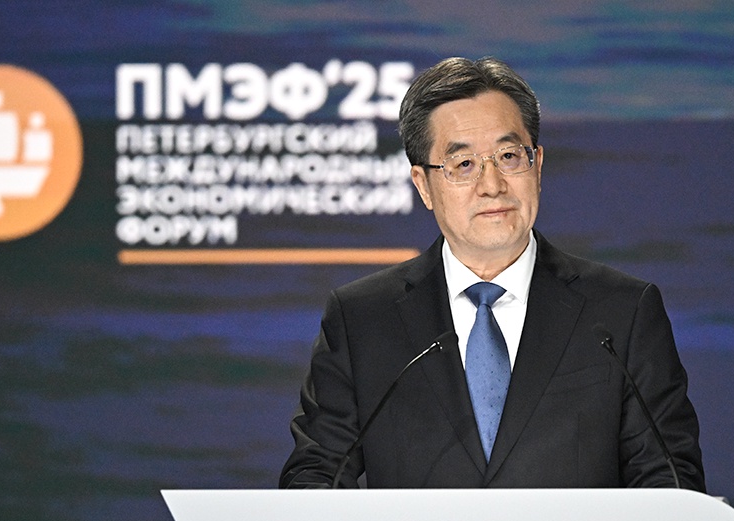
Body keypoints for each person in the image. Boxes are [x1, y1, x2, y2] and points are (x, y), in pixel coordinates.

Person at [280, 56, 705, 491]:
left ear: (537, 165)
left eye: (508, 156)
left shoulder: (622, 314)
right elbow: (315, 479)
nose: (492, 185)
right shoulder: (362, 319)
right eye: (463, 164)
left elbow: (671, 484)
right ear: (423, 185)